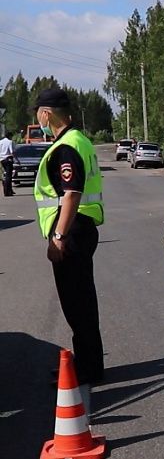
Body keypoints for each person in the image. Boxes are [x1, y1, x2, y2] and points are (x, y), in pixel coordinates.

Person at [31, 88, 105, 412]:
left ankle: (87, 368)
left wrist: (58, 236)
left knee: (76, 303)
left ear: (46, 115)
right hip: (81, 229)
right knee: (83, 300)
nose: (37, 120)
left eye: (38, 115)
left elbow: (71, 193)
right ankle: (89, 362)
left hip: (72, 231)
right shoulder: (81, 140)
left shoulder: (65, 147)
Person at [1, 131, 14, 196]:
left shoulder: (0, 142)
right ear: (9, 136)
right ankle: (7, 191)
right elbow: (12, 152)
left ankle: (10, 190)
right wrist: (17, 160)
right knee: (8, 176)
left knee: (6, 175)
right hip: (8, 159)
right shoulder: (9, 142)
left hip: (2, 160)